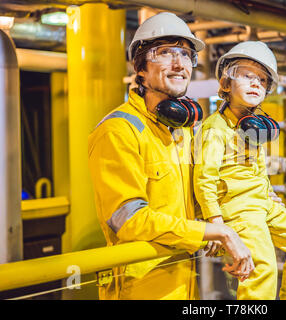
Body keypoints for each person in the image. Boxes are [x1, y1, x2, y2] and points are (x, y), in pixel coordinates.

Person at [88, 12, 254, 300]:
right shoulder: (118, 130)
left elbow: (197, 197)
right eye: (165, 53)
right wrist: (216, 233)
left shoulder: (181, 131)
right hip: (140, 287)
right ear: (140, 68)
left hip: (184, 277)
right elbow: (129, 221)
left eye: (186, 55)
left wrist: (260, 210)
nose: (180, 64)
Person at [193, 41, 286, 300]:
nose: (255, 84)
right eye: (247, 76)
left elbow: (260, 172)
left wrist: (273, 200)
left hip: (262, 205)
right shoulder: (214, 128)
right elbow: (204, 179)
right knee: (263, 268)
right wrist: (216, 223)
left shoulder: (253, 127)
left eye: (262, 80)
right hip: (237, 209)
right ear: (226, 84)